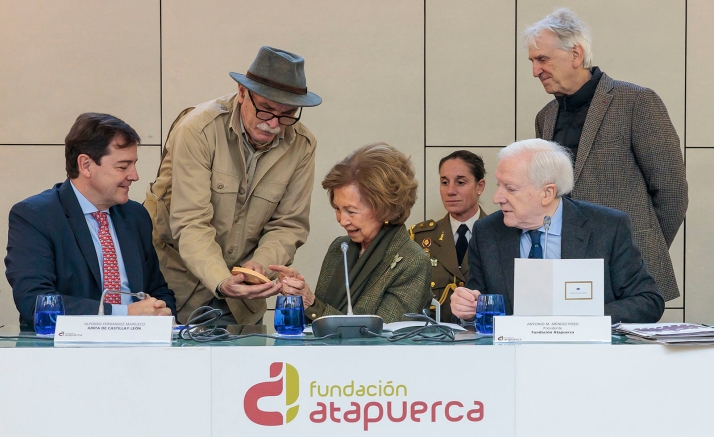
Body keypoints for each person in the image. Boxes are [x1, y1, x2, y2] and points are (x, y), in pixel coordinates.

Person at [144, 46, 322, 325]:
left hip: (244, 304)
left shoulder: (303, 145)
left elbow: (289, 225)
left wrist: (260, 265)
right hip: (176, 291)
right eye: (266, 110)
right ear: (242, 93)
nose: (274, 124)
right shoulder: (197, 130)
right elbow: (190, 222)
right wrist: (222, 280)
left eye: (288, 114)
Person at [525, 8, 687, 302]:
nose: (535, 71)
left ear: (575, 54)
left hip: (628, 277)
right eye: (533, 62)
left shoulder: (637, 101)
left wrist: (635, 251)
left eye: (542, 59)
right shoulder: (545, 117)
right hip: (564, 274)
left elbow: (672, 192)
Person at [450, 139, 665, 324]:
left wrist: (581, 319)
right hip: (512, 359)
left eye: (510, 188)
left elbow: (648, 301)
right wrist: (468, 307)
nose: (497, 198)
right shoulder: (487, 231)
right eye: (499, 185)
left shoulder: (607, 227)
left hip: (589, 358)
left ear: (547, 193)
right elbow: (478, 299)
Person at [5, 113, 176, 325]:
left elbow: (157, 289)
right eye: (123, 166)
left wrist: (161, 310)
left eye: (134, 165)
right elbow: (35, 302)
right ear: (86, 165)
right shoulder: (36, 215)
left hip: (139, 347)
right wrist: (123, 315)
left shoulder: (136, 216)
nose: (134, 175)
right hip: (67, 351)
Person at [271, 143, 433, 324]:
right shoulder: (339, 248)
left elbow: (383, 335)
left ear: (386, 207)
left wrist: (311, 303)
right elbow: (317, 326)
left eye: (351, 211)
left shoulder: (412, 261)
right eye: (337, 209)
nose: (342, 220)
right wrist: (297, 294)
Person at [410, 150, 487, 323]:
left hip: (486, 340)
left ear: (479, 186)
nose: (450, 191)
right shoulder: (420, 238)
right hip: (435, 341)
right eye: (444, 182)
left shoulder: (498, 235)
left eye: (460, 182)